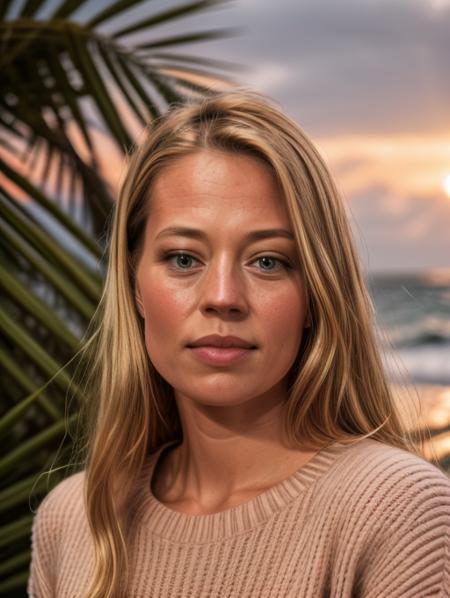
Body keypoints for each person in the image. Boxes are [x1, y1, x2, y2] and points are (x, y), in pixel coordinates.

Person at [28, 89, 450, 598]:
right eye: (184, 259)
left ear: (316, 291)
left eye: (267, 261)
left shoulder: (395, 510)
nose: (223, 298)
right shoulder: (72, 522)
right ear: (134, 283)